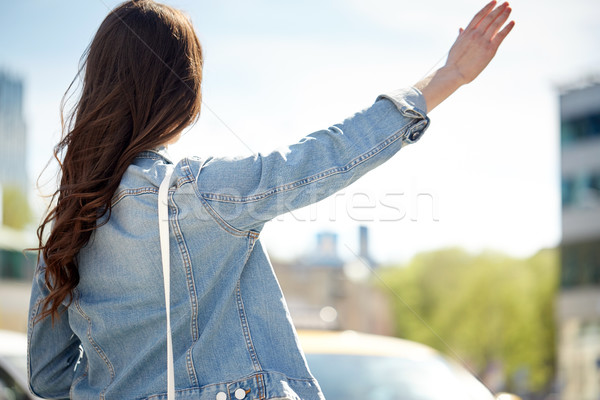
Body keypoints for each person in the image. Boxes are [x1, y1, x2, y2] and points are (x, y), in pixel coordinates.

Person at [27, 1, 514, 399]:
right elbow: (325, 156)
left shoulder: (69, 224)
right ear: (183, 92)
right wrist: (449, 75)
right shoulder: (194, 194)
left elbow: (48, 378)